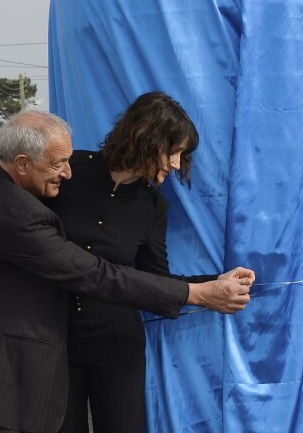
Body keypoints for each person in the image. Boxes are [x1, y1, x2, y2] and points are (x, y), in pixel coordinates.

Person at [0, 110, 254, 433]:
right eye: (172, 151)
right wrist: (199, 295)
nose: (67, 172)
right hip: (14, 363)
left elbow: (151, 276)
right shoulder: (32, 200)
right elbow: (93, 273)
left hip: (100, 347)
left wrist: (208, 285)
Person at [44, 91, 239, 433]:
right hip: (52, 341)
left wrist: (215, 281)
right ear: (146, 138)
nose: (177, 164)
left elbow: (156, 280)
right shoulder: (70, 169)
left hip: (117, 346)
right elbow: (13, 207)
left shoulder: (153, 206)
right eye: (173, 151)